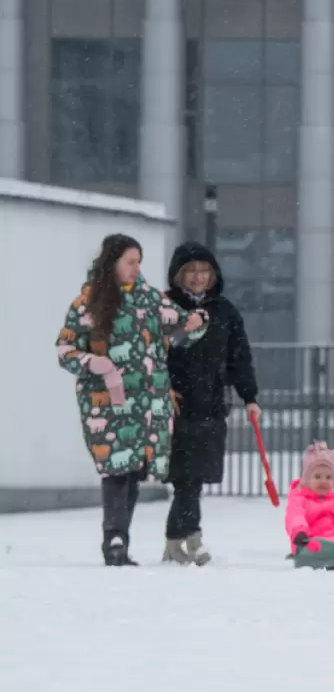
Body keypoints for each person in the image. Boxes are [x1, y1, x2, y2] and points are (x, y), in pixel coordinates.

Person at [55, 234, 208, 566]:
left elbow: (185, 324)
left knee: (133, 470)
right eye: (131, 262)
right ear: (113, 263)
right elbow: (65, 350)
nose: (137, 268)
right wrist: (92, 362)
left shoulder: (150, 299)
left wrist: (198, 321)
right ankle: (114, 538)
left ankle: (120, 538)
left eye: (139, 262)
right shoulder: (87, 304)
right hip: (106, 404)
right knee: (115, 469)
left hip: (147, 404)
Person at [162, 241, 261, 566]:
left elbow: (239, 358)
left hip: (212, 403)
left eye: (204, 271)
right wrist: (160, 386)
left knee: (194, 477)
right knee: (184, 476)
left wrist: (250, 397)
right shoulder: (165, 308)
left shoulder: (225, 312)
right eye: (190, 271)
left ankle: (176, 541)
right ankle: (192, 538)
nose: (197, 277)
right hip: (175, 404)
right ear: (178, 275)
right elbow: (148, 351)